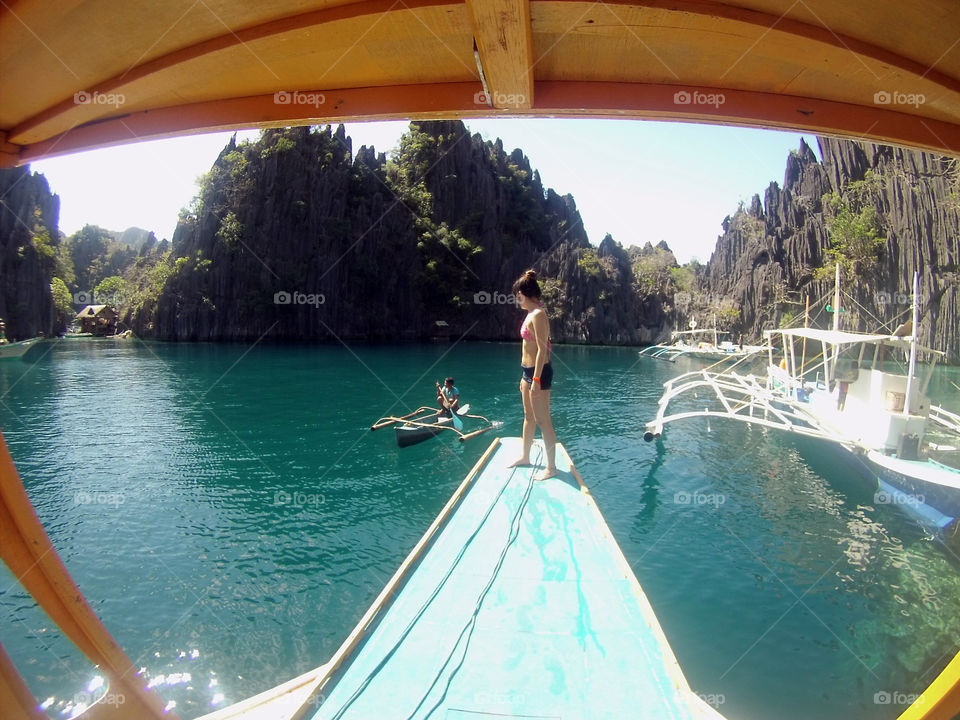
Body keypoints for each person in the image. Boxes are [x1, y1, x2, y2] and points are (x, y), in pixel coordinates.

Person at [507, 269, 557, 480]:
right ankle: (525, 456)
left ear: (526, 294)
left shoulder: (538, 315)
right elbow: (526, 349)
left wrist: (536, 379)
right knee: (528, 417)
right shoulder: (529, 314)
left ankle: (551, 468)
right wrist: (524, 376)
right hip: (526, 372)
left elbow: (542, 350)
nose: (516, 298)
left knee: (543, 420)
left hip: (540, 372)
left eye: (518, 294)